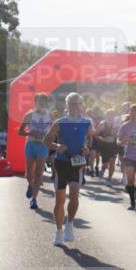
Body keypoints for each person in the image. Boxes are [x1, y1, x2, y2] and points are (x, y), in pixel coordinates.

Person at [43, 93, 94, 246]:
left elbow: (90, 139)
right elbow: (47, 140)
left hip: (77, 163)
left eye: (77, 103)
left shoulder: (87, 122)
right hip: (62, 163)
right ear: (66, 105)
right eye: (71, 103)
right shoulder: (59, 123)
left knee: (74, 196)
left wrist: (87, 148)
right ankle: (59, 231)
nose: (74, 106)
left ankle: (70, 224)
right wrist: (57, 146)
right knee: (60, 199)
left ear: (82, 105)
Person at [18, 93, 53, 210]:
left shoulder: (50, 116)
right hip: (31, 144)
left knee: (38, 173)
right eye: (40, 101)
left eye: (44, 101)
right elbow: (20, 132)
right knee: (29, 173)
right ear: (35, 102)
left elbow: (55, 132)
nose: (42, 103)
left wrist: (50, 138)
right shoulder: (29, 115)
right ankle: (30, 184)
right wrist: (30, 133)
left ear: (47, 103)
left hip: (43, 146)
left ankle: (34, 199)